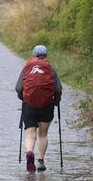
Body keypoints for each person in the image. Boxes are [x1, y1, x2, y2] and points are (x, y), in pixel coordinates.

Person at [16, 45, 62, 173]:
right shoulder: (50, 69)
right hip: (47, 105)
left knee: (30, 134)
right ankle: (40, 160)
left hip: (29, 105)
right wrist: (56, 101)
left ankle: (30, 152)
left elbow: (19, 88)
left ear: (33, 55)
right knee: (43, 134)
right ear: (45, 56)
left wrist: (23, 97)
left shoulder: (27, 68)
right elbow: (57, 89)